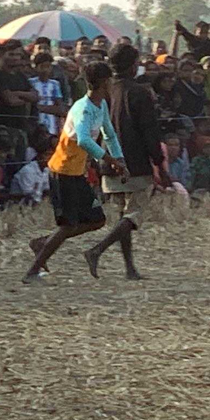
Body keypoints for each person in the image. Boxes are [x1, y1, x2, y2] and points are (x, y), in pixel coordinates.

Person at [24, 62, 123, 283]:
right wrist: (109, 159)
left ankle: (42, 243)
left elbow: (109, 134)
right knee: (68, 225)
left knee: (97, 220)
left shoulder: (100, 105)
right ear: (105, 82)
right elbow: (84, 140)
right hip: (63, 170)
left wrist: (119, 158)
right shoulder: (83, 109)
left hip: (76, 171)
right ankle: (32, 270)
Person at [92, 42, 166, 280]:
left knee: (122, 216)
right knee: (134, 215)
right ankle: (97, 250)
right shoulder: (139, 92)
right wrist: (159, 163)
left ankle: (129, 268)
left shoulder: (103, 91)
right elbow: (149, 131)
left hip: (108, 160)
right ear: (133, 66)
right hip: (134, 162)